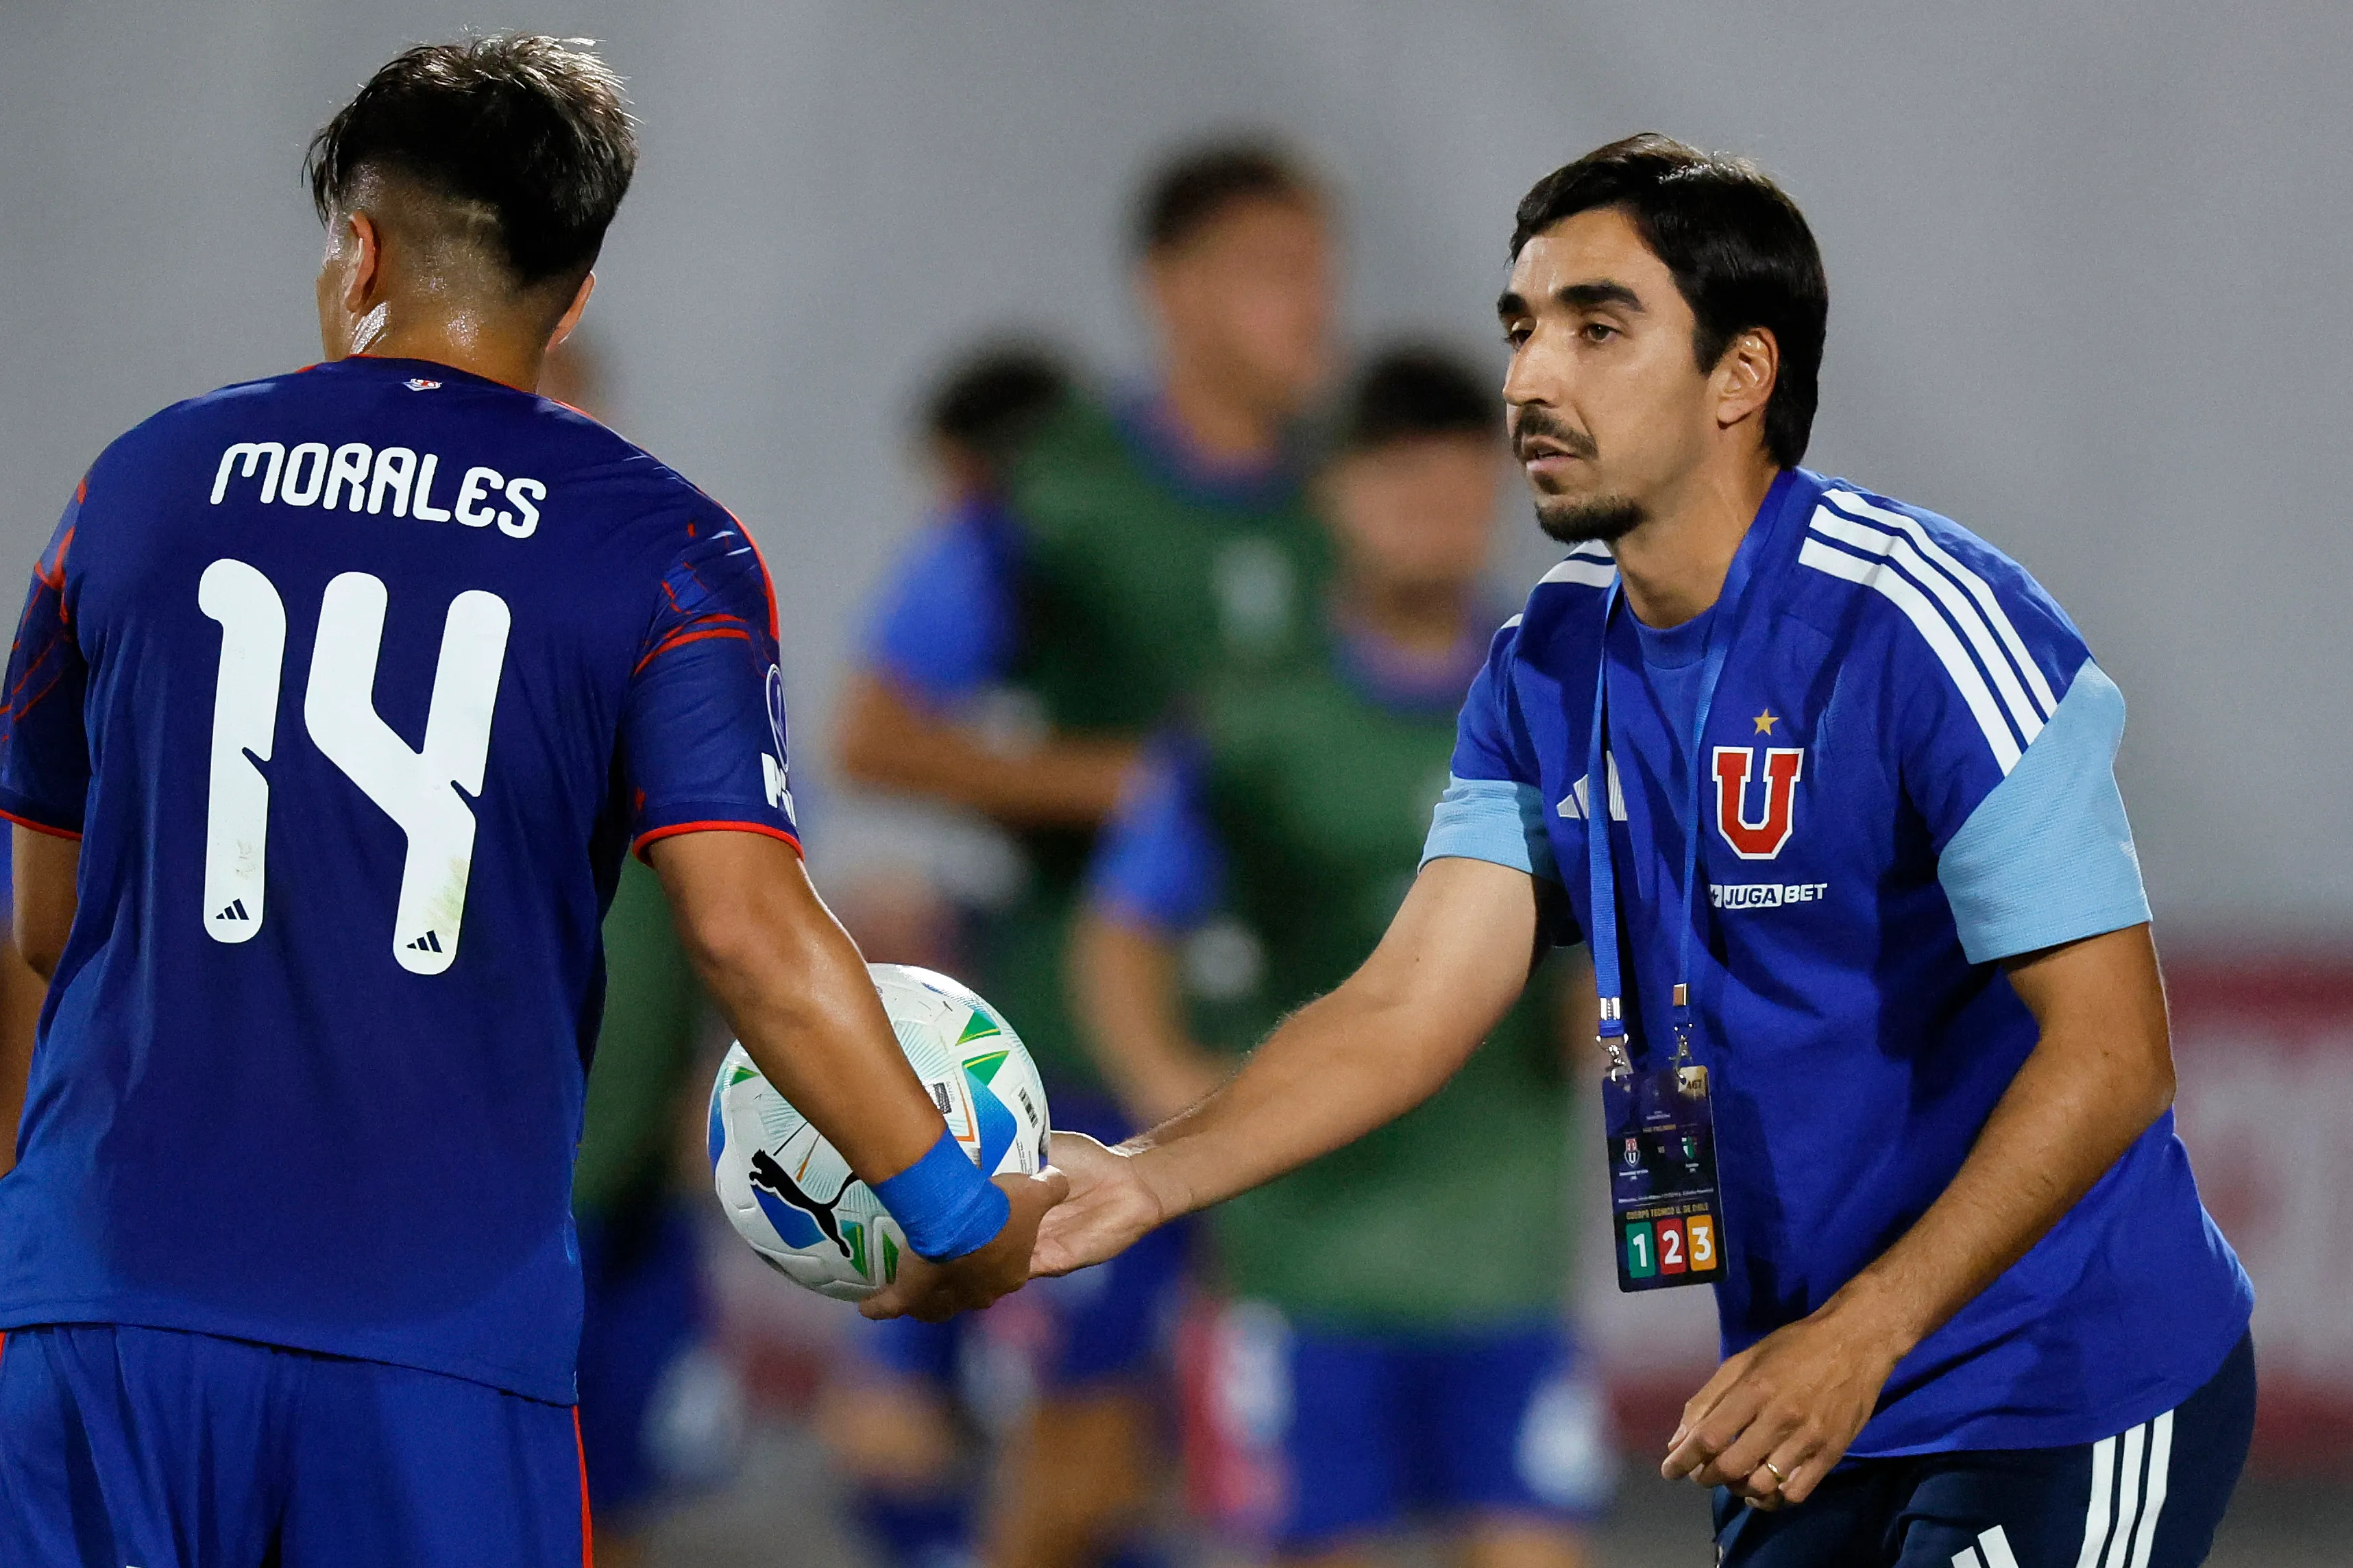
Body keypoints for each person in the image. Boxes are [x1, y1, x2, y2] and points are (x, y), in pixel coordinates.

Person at [1004, 134, 2256, 1568]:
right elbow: (1406, 1005)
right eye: (1522, 329)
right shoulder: (1544, 664)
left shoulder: (1922, 626)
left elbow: (2114, 1056)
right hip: (1805, 1400)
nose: (1530, 379)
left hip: (2062, 1385)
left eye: (1597, 329)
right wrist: (1151, 1176)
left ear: (1741, 376)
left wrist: (1861, 1335)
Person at [0, 38, 1058, 1568]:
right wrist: (959, 1219)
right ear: (571, 300)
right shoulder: (668, 554)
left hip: (106, 1306)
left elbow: (51, 922)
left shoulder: (138, 487)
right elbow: (749, 936)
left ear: (359, 250)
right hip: (434, 1339)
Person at [833, 141, 1337, 1568]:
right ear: (1170, 289)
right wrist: (1130, 784)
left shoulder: (1348, 494)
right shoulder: (1061, 494)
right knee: (1078, 1450)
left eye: (1321, 271)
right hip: (1086, 1038)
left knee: (1275, 1466)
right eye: (1272, 271)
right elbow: (877, 731)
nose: (1312, 305)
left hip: (1295, 1045)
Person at [1069, 347, 1612, 1568]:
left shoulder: (1575, 701)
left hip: (1501, 1252)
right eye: (1397, 475)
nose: (1431, 503)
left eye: (1457, 474)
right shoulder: (1249, 719)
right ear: (1333, 494)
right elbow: (1123, 926)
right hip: (1302, 1258)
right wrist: (1164, 1088)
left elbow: (1611, 976)